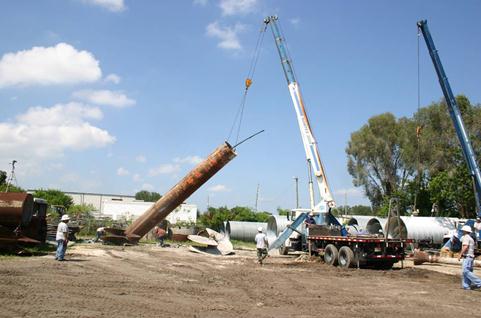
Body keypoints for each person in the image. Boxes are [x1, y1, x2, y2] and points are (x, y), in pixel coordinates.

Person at [457, 225, 481, 290]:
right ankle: (466, 286)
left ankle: (479, 282)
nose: (462, 231)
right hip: (470, 257)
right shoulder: (471, 238)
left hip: (467, 257)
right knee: (468, 271)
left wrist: (460, 254)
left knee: (465, 271)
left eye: (463, 230)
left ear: (465, 231)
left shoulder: (466, 237)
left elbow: (465, 247)